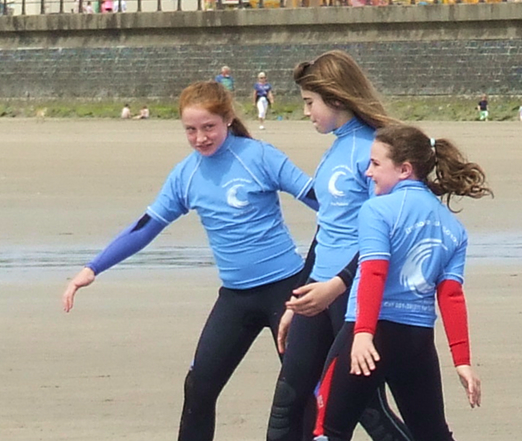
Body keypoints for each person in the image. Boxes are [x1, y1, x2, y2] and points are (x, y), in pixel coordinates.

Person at [62, 80, 319, 441]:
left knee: (302, 392)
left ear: (228, 119)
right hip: (235, 299)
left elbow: (317, 198)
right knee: (199, 389)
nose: (200, 138)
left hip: (287, 292)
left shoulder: (258, 157)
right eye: (191, 130)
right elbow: (145, 227)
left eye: (208, 127)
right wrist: (92, 269)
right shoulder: (187, 174)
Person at [265, 51, 410, 441]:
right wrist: (299, 300)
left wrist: (338, 285)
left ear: (337, 99)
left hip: (353, 295)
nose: (307, 112)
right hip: (318, 295)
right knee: (288, 403)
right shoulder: (334, 150)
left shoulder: (372, 152)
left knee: (362, 407)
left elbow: (386, 235)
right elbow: (325, 229)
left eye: (311, 103)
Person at [313, 124, 488, 441]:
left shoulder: (376, 210)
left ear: (405, 169)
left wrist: (363, 334)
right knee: (431, 433)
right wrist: (462, 361)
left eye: (376, 164)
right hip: (416, 342)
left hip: (371, 332)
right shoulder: (453, 227)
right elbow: (451, 296)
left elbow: (374, 272)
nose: (368, 172)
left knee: (328, 429)